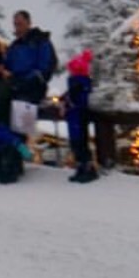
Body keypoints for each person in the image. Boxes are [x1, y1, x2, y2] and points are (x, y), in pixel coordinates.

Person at [0, 10, 58, 141]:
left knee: (22, 125)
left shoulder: (40, 41)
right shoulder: (15, 45)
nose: (17, 28)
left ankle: (18, 154)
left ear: (28, 23)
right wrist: (2, 67)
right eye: (15, 24)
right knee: (2, 118)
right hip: (14, 86)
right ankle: (4, 154)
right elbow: (8, 64)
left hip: (32, 88)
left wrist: (32, 79)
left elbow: (46, 66)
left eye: (20, 24)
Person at [62, 50, 98, 183]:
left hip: (77, 118)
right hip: (76, 119)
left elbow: (78, 101)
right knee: (77, 144)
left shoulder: (78, 84)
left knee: (80, 144)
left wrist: (68, 104)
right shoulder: (78, 84)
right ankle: (82, 167)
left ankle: (87, 168)